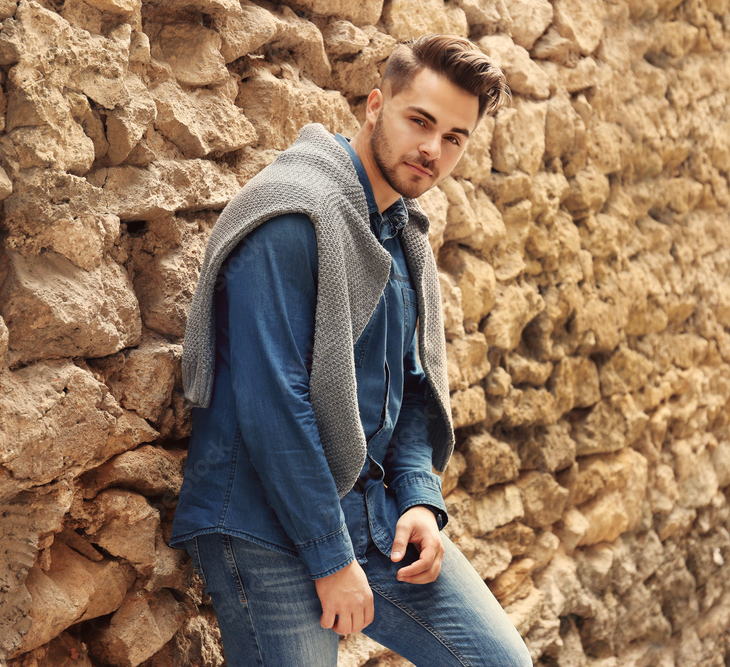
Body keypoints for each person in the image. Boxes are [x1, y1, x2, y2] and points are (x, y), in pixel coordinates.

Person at [170, 34, 531, 666]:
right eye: (420, 120)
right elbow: (272, 401)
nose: (432, 149)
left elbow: (416, 385)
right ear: (374, 105)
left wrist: (419, 496)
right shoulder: (295, 213)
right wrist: (329, 556)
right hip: (264, 521)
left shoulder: (401, 233)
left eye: (454, 137)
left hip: (370, 510)